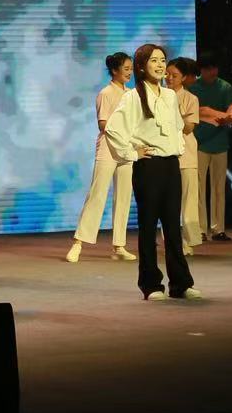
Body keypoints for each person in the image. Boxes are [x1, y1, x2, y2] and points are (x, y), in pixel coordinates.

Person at [105, 44, 202, 301]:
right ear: (141, 66)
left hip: (171, 165)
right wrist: (132, 152)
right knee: (148, 227)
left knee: (172, 227)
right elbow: (113, 129)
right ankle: (151, 285)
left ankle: (181, 283)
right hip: (148, 166)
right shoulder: (133, 97)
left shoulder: (170, 95)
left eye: (162, 60)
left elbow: (178, 128)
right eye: (154, 61)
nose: (160, 65)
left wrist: (177, 150)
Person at [64, 53, 139, 264]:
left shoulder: (132, 94)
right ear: (114, 70)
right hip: (108, 148)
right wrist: (123, 134)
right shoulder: (106, 93)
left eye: (131, 68)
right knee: (97, 194)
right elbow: (103, 124)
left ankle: (119, 245)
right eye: (126, 68)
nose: (130, 72)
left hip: (127, 149)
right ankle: (78, 243)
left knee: (124, 197)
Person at [189, 57, 232, 242]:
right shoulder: (193, 88)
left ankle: (218, 229)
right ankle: (200, 229)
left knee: (219, 188)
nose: (212, 73)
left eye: (214, 68)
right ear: (201, 70)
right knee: (198, 188)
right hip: (199, 143)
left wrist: (230, 118)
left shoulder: (225, 87)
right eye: (208, 69)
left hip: (220, 143)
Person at [166, 58, 205, 257]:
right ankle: (172, 242)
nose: (169, 78)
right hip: (165, 154)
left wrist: (171, 118)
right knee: (168, 203)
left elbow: (189, 127)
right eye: (167, 74)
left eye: (174, 75)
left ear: (183, 78)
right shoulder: (158, 96)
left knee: (189, 200)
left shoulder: (190, 98)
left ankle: (189, 241)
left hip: (186, 154)